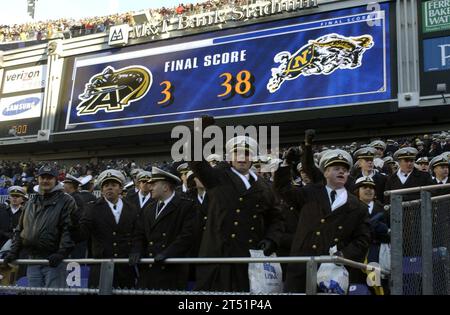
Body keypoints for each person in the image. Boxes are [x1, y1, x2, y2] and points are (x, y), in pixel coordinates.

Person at [189, 116, 284, 292]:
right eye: (237, 153)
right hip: (218, 259)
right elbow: (195, 161)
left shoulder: (265, 187)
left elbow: (276, 218)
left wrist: (271, 239)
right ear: (229, 157)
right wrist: (199, 130)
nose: (242, 157)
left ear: (253, 157)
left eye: (246, 153)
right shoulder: (217, 178)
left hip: (249, 260)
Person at [274, 147, 370, 293]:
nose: (341, 172)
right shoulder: (310, 192)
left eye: (344, 169)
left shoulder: (358, 207)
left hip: (332, 271)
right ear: (325, 172)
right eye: (336, 168)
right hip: (301, 266)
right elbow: (283, 190)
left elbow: (362, 239)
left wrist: (344, 254)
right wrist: (287, 164)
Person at [2, 165, 76, 289]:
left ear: (56, 180)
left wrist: (61, 253)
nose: (45, 180)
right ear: (38, 179)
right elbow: (21, 229)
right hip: (33, 260)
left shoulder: (66, 200)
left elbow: (69, 229)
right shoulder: (31, 202)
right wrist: (13, 252)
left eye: (49, 177)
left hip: (53, 261)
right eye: (42, 177)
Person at [129, 167, 195, 290]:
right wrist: (136, 250)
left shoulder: (185, 206)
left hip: (171, 270)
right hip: (148, 270)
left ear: (165, 187)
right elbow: (139, 234)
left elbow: (187, 236)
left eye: (153, 184)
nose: (150, 187)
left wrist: (168, 253)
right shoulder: (148, 208)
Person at [80, 169, 140, 289]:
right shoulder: (92, 208)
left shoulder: (132, 208)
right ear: (101, 190)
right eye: (106, 185)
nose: (109, 188)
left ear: (121, 188)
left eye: (113, 185)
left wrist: (136, 249)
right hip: (100, 266)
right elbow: (82, 233)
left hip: (125, 267)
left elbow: (138, 233)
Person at [352, 177, 390, 295]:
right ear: (357, 191)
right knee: (357, 287)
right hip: (356, 254)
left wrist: (382, 230)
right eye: (365, 187)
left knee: (376, 286)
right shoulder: (349, 208)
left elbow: (391, 234)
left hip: (376, 255)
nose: (369, 190)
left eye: (372, 188)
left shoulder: (384, 209)